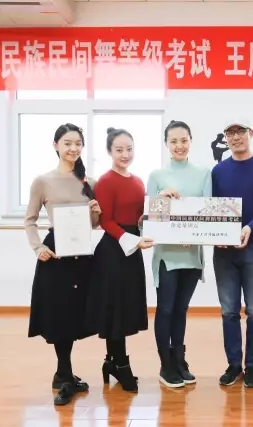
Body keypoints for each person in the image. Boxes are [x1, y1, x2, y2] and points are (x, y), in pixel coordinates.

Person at [24, 123, 102, 406]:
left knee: (76, 312)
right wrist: (39, 248)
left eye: (78, 143)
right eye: (67, 143)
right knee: (59, 313)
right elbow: (30, 220)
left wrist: (96, 213)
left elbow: (93, 225)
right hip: (56, 254)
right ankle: (66, 376)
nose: (73, 148)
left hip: (81, 253)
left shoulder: (88, 181)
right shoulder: (42, 181)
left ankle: (62, 373)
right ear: (55, 145)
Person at [211, 119, 253, 388]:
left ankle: (252, 366)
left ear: (250, 133)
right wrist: (214, 235)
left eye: (240, 132)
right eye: (230, 133)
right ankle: (233, 365)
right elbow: (211, 207)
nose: (235, 137)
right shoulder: (218, 171)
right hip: (224, 252)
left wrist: (251, 227)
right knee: (229, 311)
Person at [84, 127, 154, 393]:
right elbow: (106, 221)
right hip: (113, 252)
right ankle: (120, 364)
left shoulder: (138, 181)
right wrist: (132, 240)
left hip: (132, 249)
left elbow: (140, 216)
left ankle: (112, 362)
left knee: (125, 307)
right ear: (109, 152)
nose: (125, 154)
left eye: (129, 149)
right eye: (119, 150)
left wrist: (161, 203)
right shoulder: (106, 181)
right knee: (114, 309)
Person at [146, 120, 212, 388]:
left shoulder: (204, 173)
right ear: (166, 144)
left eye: (184, 140)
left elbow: (208, 212)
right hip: (167, 255)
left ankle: (179, 359)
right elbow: (150, 219)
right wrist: (161, 198)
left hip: (192, 254)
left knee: (181, 310)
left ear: (190, 141)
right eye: (173, 141)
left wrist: (195, 235)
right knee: (166, 308)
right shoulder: (157, 176)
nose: (179, 146)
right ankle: (166, 364)